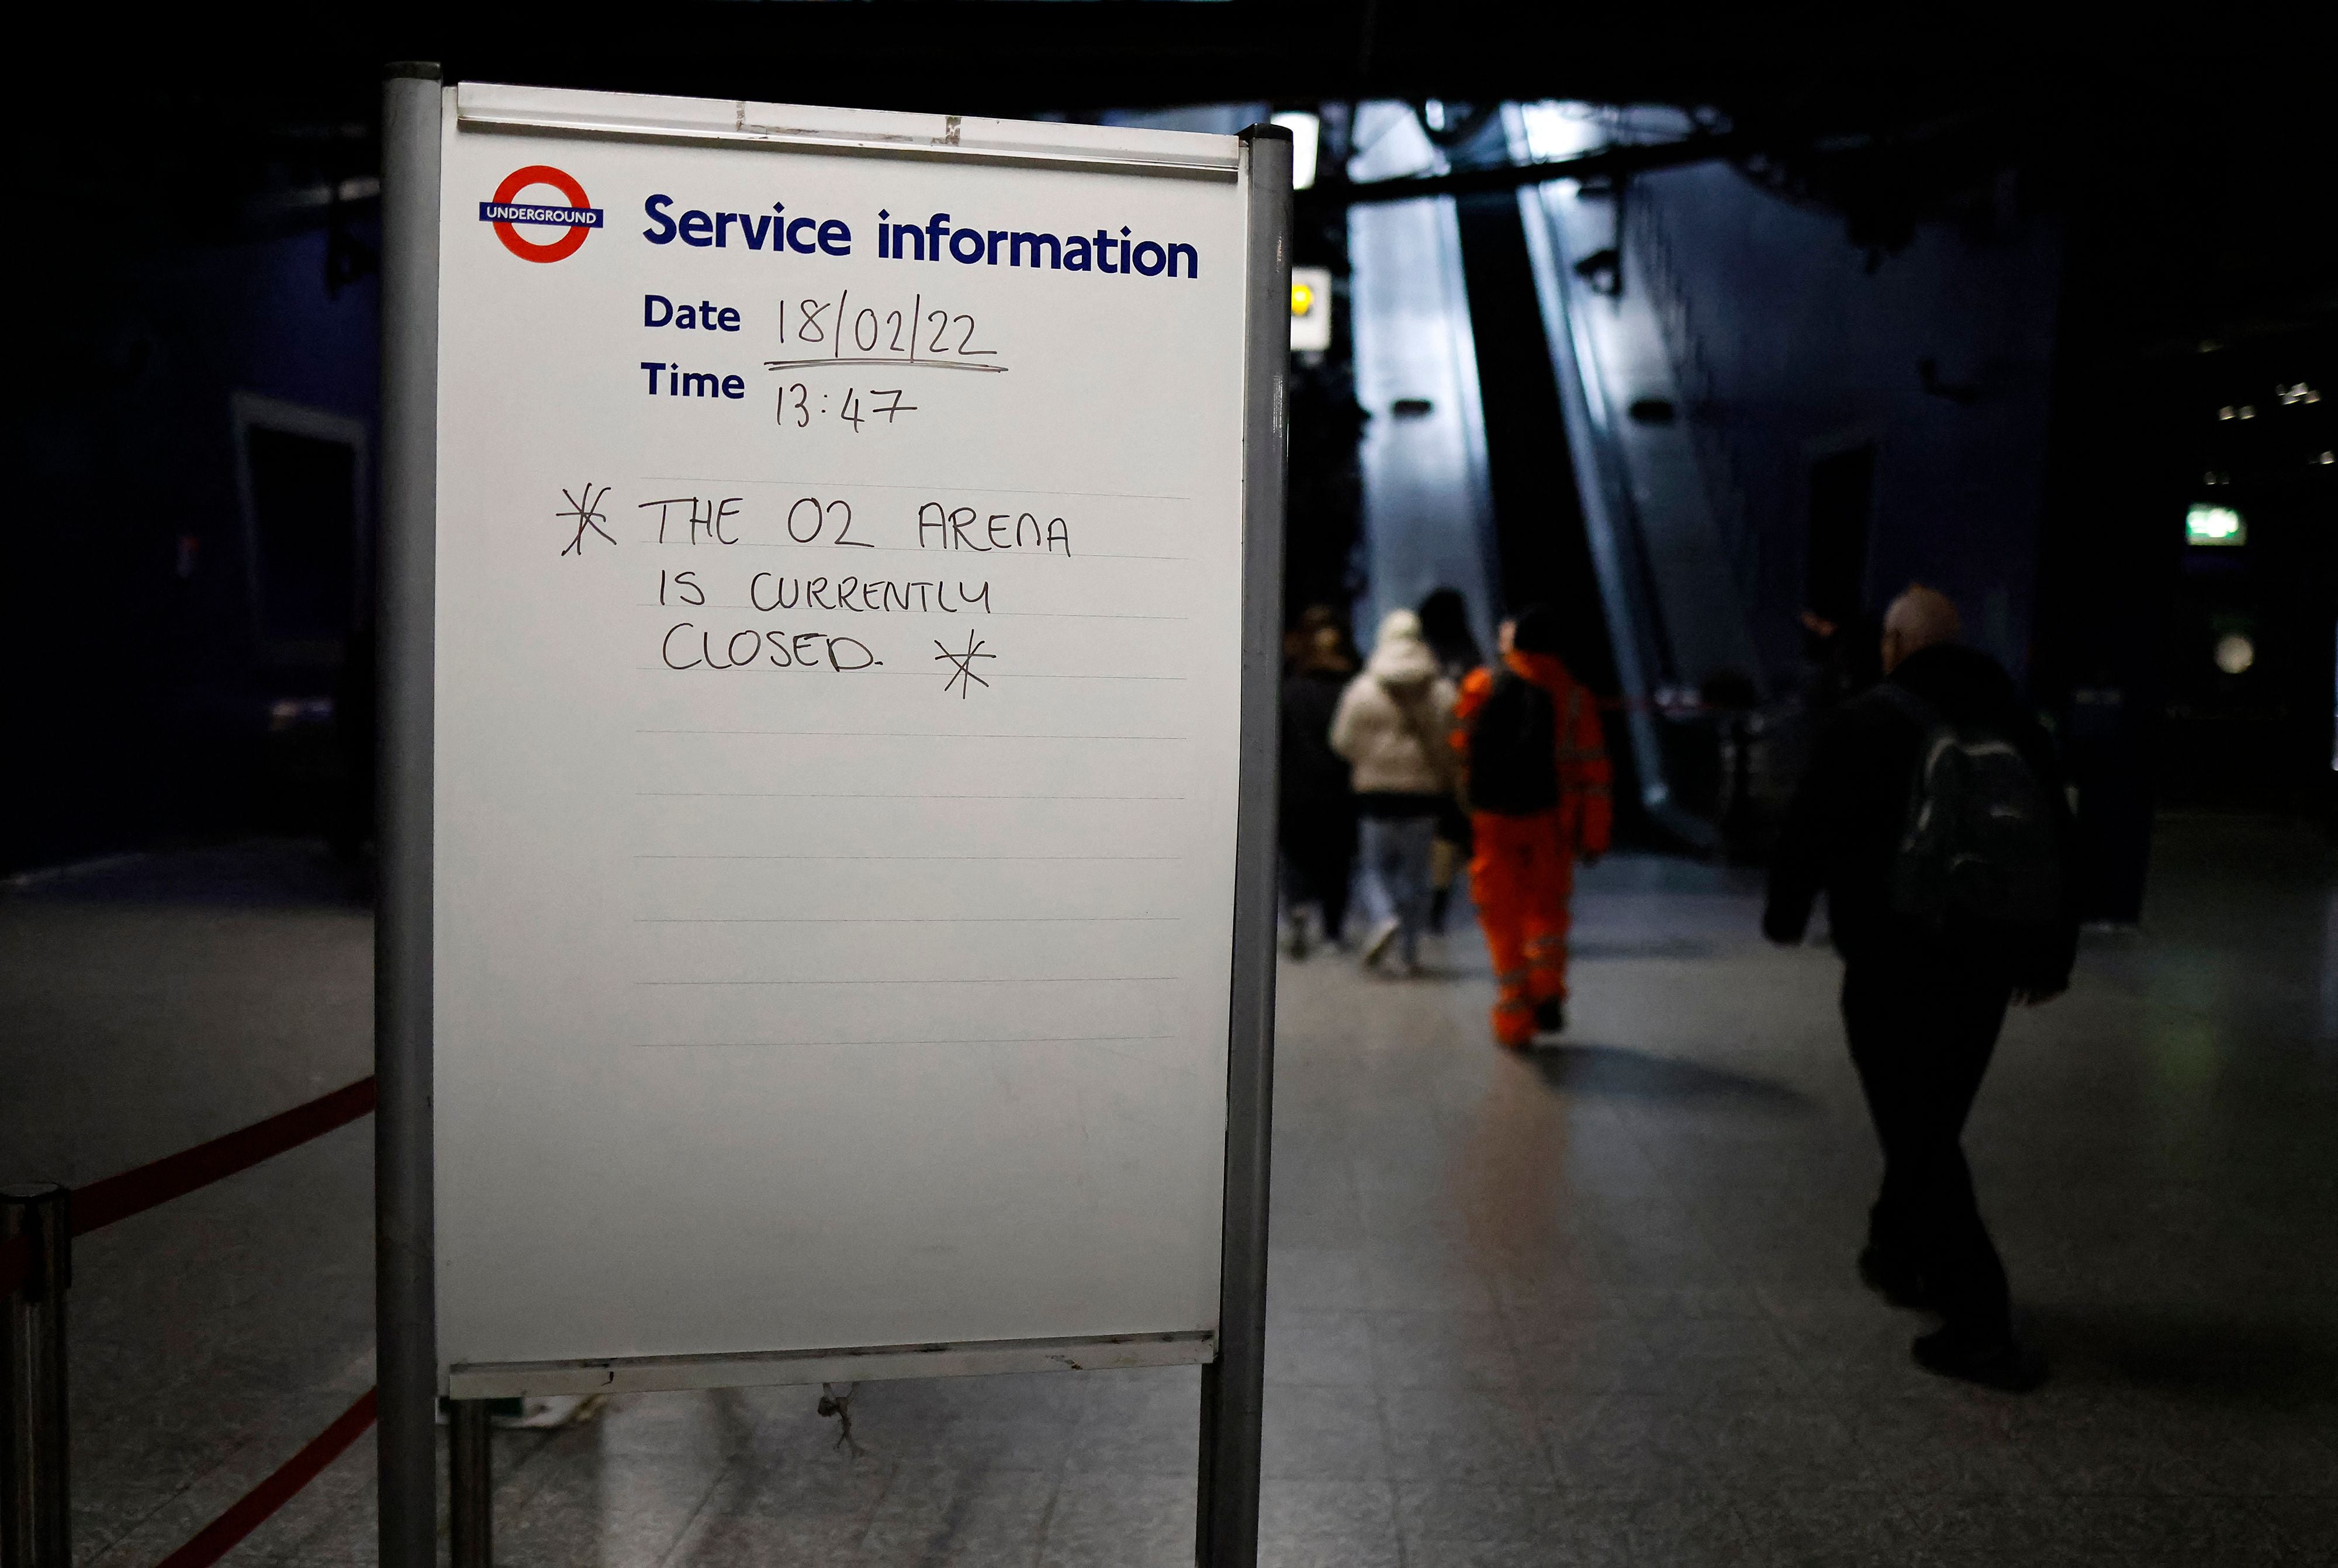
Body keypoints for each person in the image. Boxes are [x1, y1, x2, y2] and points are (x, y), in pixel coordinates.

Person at [1764, 584, 2077, 1392]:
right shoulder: (2017, 721)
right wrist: (2050, 956)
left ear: (1897, 644)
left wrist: (1785, 913)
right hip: (1987, 966)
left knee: (1919, 1134)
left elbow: (1811, 824)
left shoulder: (1870, 718)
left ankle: (1980, 1322)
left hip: (1892, 961)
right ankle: (1896, 1251)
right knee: (1931, 1114)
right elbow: (2061, 839)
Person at [1452, 604, 1611, 1046]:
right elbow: (1594, 773)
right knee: (1546, 911)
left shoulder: (1482, 685)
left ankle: (1514, 1013)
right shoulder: (1576, 696)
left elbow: (1462, 745)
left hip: (1493, 820)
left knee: (1501, 914)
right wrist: (1594, 835)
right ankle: (1546, 987)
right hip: (1552, 819)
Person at [1330, 608, 1458, 975]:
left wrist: (1372, 759)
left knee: (1373, 869)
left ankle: (1384, 915)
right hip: (1424, 793)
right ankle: (1410, 951)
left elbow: (1342, 741)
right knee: (1417, 873)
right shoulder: (1441, 691)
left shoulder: (1363, 689)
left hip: (1376, 793)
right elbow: (1453, 741)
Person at [1278, 622, 1357, 956]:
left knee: (1296, 856)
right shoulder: (1353, 691)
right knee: (1337, 861)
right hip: (1342, 788)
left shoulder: (1290, 692)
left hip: (1297, 788)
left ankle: (1297, 908)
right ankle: (1333, 931)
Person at [1415, 588, 1483, 933]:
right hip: (1468, 755)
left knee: (1444, 831)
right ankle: (1478, 897)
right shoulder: (1473, 655)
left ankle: (1437, 905)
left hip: (1431, 754)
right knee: (1462, 828)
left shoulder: (1426, 656)